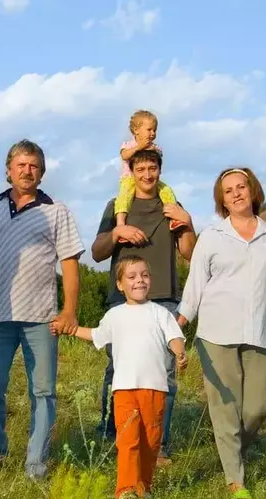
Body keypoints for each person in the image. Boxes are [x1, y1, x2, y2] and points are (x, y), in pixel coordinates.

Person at [177, 167, 266, 499]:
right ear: (222, 201)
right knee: (225, 407)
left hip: (260, 332)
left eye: (241, 187)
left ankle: (231, 450)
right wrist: (179, 323)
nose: (237, 194)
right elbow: (195, 287)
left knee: (256, 409)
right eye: (228, 191)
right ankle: (235, 480)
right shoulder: (212, 236)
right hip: (216, 332)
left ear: (253, 190)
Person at [0, 139, 84, 480]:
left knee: (44, 391)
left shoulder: (56, 210)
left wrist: (69, 311)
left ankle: (36, 463)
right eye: (20, 165)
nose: (26, 171)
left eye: (33, 165)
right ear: (8, 170)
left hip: (42, 318)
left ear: (42, 172)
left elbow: (71, 264)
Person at [51, 255, 187, 499]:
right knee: (128, 439)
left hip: (155, 388)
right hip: (123, 389)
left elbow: (175, 338)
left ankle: (143, 486)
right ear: (120, 284)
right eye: (132, 277)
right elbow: (95, 335)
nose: (139, 281)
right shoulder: (115, 315)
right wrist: (67, 328)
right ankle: (125, 489)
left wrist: (179, 352)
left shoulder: (160, 313)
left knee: (151, 441)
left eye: (144, 275)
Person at [91, 148, 196, 464]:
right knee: (118, 371)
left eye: (153, 169)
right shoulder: (116, 207)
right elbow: (97, 252)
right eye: (141, 169)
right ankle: (114, 437)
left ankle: (157, 445)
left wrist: (187, 223)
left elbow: (190, 252)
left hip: (164, 299)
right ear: (131, 172)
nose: (147, 175)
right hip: (121, 301)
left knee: (164, 376)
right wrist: (117, 232)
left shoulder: (172, 206)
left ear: (160, 171)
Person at [114, 110, 184, 236]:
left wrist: (153, 150)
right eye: (149, 130)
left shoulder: (154, 146)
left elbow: (158, 156)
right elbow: (124, 155)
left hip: (150, 181)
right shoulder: (129, 145)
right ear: (136, 130)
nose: (152, 133)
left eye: (154, 130)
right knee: (123, 197)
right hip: (129, 179)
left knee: (166, 190)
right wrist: (139, 147)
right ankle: (120, 223)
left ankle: (174, 217)